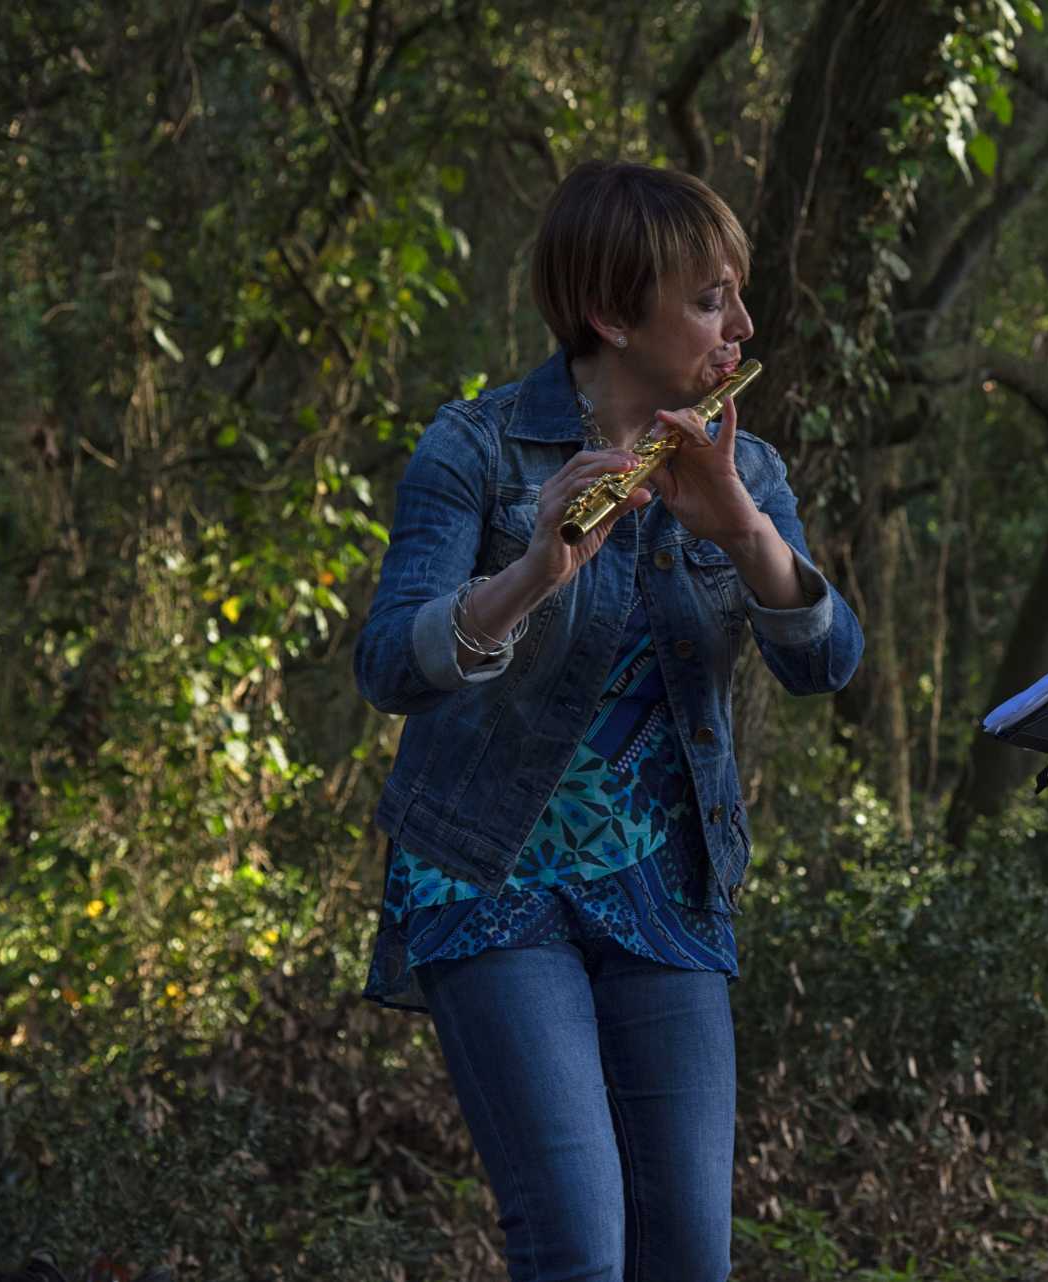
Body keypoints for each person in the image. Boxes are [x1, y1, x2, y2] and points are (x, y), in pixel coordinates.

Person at [352, 161, 863, 1281]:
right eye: (708, 297)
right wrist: (534, 570)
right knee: (579, 1246)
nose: (742, 323)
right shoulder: (476, 450)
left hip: (661, 888)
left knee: (688, 1255)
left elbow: (830, 661)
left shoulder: (751, 468)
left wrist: (748, 534)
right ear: (609, 315)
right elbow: (390, 663)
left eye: (735, 296)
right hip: (491, 877)